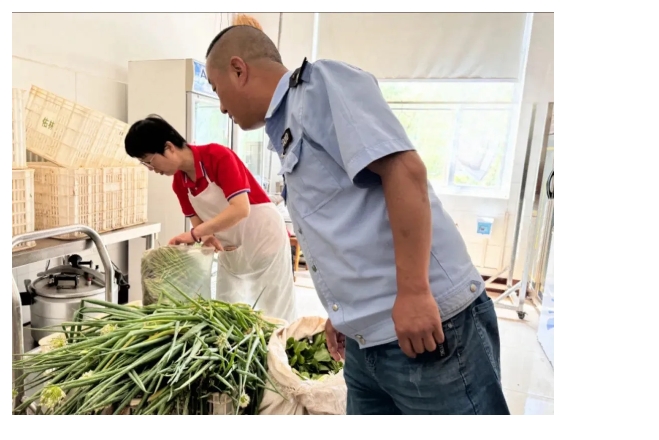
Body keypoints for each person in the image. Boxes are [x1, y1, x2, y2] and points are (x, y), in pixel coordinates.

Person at [202, 24, 511, 416]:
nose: (221, 107)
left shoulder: (320, 86)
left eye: (217, 89)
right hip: (367, 339)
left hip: (427, 327)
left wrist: (415, 292)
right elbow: (346, 220)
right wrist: (344, 312)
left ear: (238, 69)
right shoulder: (288, 127)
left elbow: (405, 171)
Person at [124, 115, 296, 324]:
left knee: (274, 310)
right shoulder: (179, 183)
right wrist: (205, 239)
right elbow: (201, 226)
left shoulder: (217, 156)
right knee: (227, 313)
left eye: (149, 161)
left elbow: (241, 208)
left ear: (169, 147)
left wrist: (194, 234)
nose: (152, 169)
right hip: (231, 248)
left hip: (264, 237)